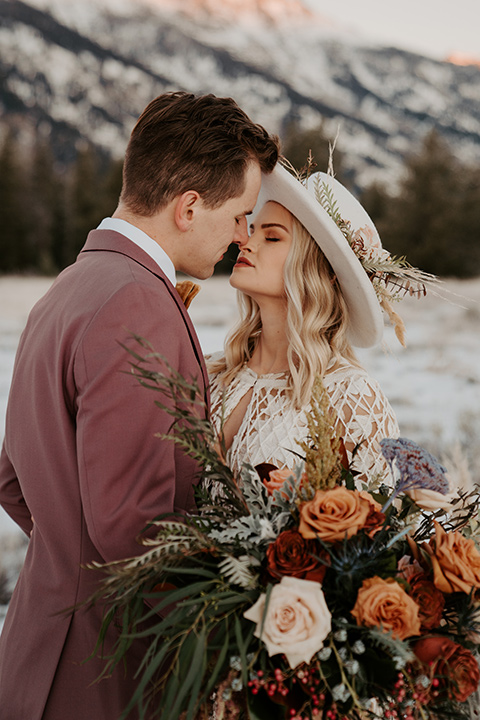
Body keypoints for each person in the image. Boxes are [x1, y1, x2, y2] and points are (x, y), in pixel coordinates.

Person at [0, 92, 279, 720]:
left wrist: (71, 560)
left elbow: (12, 478)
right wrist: (250, 638)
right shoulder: (137, 303)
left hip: (37, 650)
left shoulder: (69, 287)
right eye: (238, 214)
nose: (242, 235)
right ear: (188, 208)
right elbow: (133, 528)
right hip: (103, 673)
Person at [208, 163, 432, 486]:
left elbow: (373, 527)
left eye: (271, 237)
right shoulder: (213, 373)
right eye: (253, 229)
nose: (246, 242)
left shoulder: (351, 397)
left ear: (317, 269)